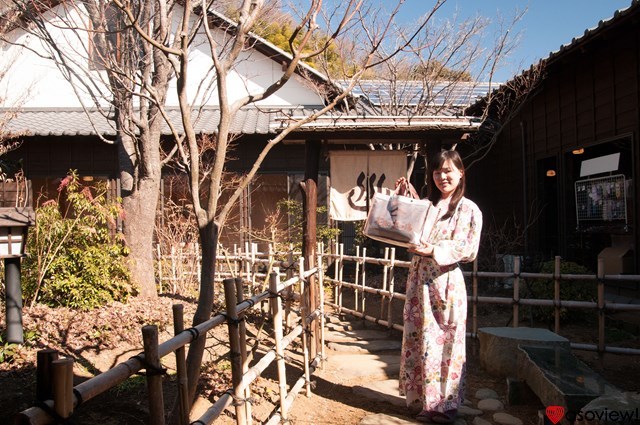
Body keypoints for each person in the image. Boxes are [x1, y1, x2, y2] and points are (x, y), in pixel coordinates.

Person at [395, 149, 483, 424]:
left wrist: (433, 248)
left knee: (445, 343)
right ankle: (422, 401)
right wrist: (405, 198)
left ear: (460, 172)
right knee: (419, 339)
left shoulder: (469, 209)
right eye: (437, 172)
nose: (442, 177)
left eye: (448, 171)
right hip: (419, 281)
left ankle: (445, 406)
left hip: (445, 284)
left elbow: (468, 249)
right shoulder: (428, 206)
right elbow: (410, 228)